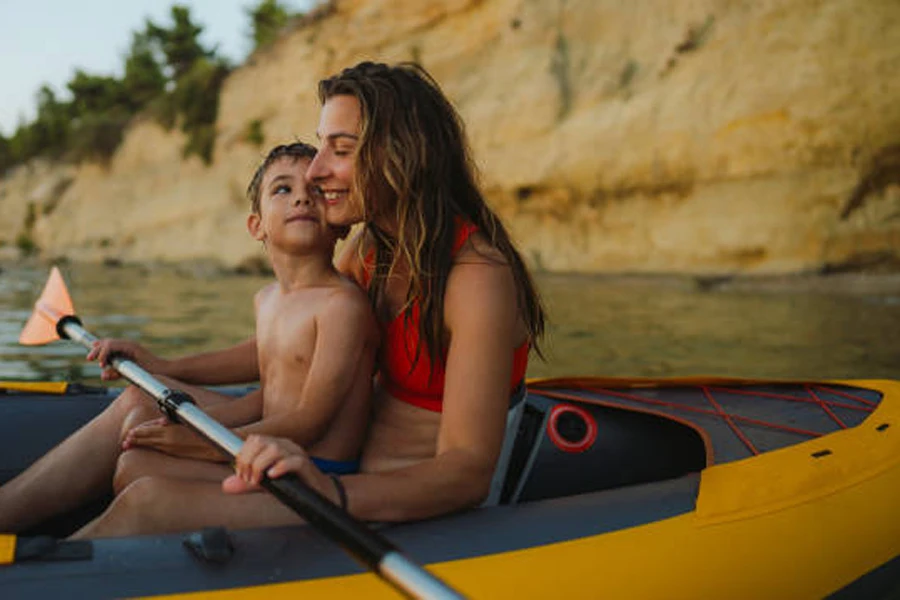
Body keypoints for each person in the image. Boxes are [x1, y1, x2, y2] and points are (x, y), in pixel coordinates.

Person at [62, 60, 546, 526]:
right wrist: (165, 367)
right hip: (340, 474)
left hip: (392, 506)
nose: (315, 172)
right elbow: (294, 348)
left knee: (149, 502)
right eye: (321, 147)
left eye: (340, 149)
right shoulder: (372, 250)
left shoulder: (476, 278)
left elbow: (466, 472)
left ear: (401, 155)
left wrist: (325, 490)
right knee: (136, 407)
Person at [0, 142, 379, 537]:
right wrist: (162, 369)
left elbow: (310, 421)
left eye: (316, 190)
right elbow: (271, 378)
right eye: (283, 189)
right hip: (266, 442)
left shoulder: (341, 306)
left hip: (310, 467)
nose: (302, 195)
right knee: (135, 448)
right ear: (256, 226)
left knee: (141, 483)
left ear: (340, 223)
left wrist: (201, 440)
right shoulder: (268, 299)